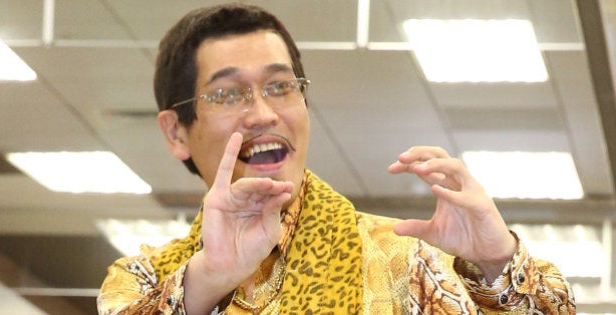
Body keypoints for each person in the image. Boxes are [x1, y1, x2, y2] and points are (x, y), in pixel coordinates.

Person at [97, 3, 575, 314]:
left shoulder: (406, 260)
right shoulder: (142, 282)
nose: (263, 113)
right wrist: (211, 276)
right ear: (176, 132)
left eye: (281, 86)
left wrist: (495, 260)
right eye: (227, 94)